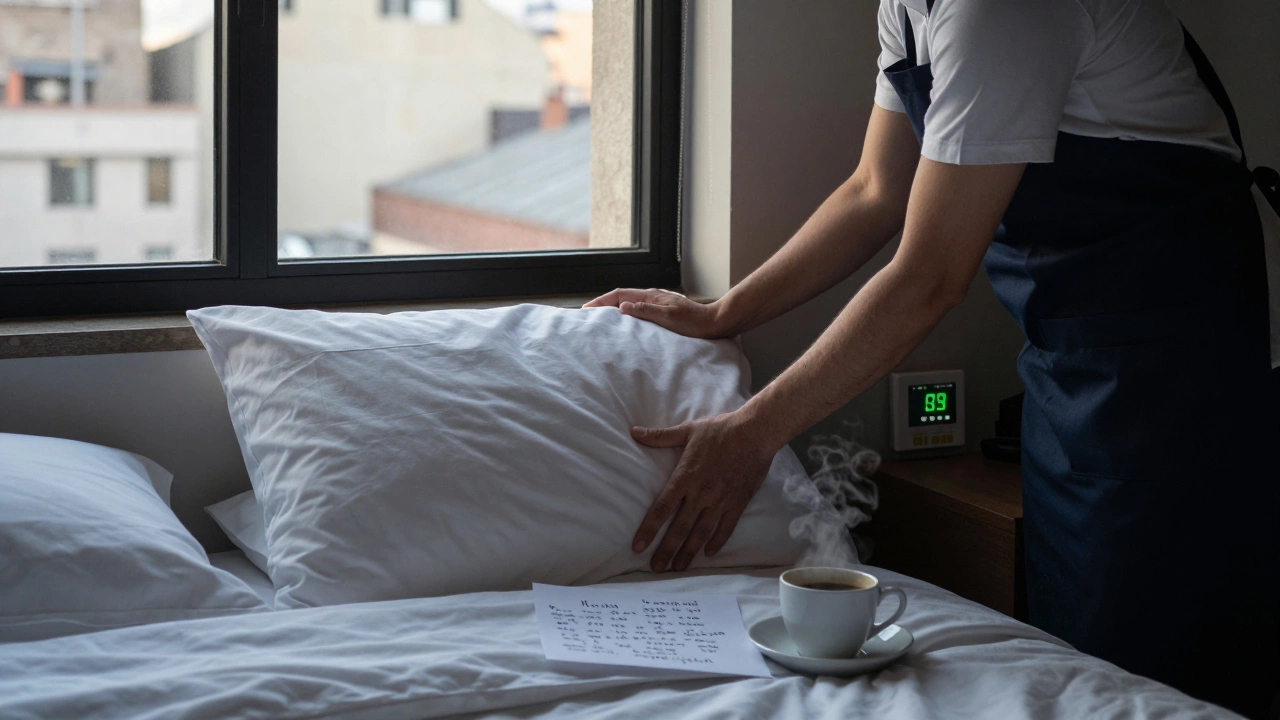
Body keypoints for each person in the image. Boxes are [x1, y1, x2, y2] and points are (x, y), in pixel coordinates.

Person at [585, 0, 1280, 716]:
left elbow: (929, 277)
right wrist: (721, 314)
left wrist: (753, 432)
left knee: (1157, 655)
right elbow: (874, 191)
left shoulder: (1001, 12)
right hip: (1065, 366)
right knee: (1073, 653)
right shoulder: (908, 10)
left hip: (1181, 376)